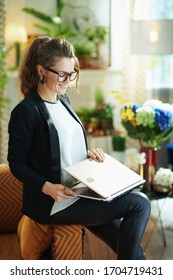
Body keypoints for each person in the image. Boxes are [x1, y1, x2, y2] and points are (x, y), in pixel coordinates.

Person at [8, 36, 151, 260]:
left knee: (135, 254)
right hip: (57, 203)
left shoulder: (63, 101)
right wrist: (47, 187)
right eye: (61, 74)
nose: (67, 80)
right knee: (140, 203)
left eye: (71, 73)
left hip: (83, 193)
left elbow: (62, 149)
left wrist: (89, 155)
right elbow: (16, 163)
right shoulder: (27, 111)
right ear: (41, 71)